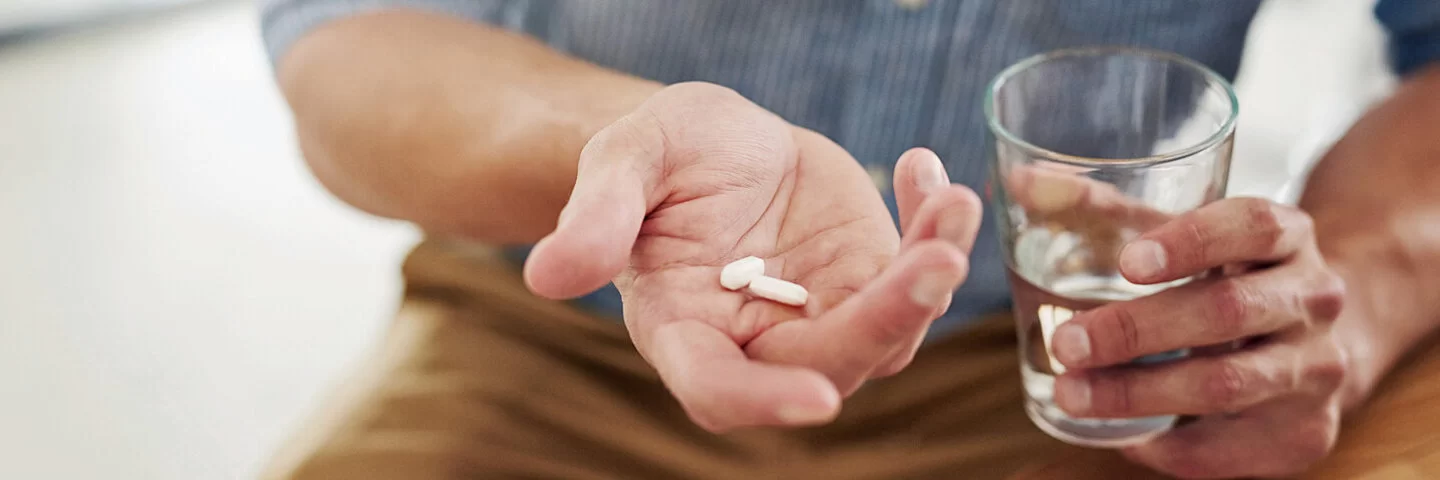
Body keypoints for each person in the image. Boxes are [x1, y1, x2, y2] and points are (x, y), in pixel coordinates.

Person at [257, 1, 1440, 478]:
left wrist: (1365, 274)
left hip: (1094, 366)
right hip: (561, 331)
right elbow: (351, 40)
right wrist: (619, 148)